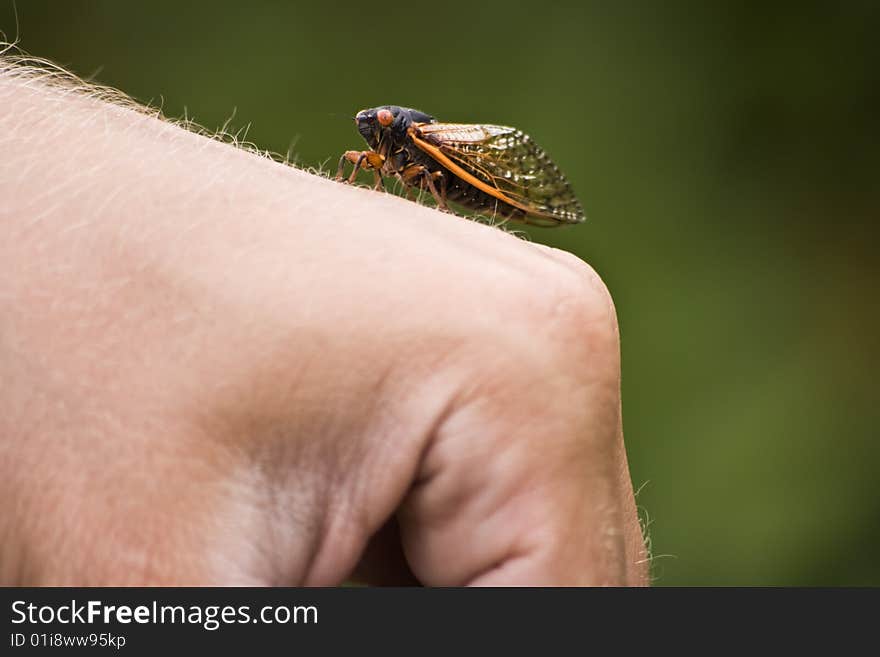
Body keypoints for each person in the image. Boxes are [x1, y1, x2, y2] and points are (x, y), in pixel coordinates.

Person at [0, 57, 648, 586]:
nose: (370, 134)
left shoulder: (418, 143)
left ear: (397, 131)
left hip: (459, 164)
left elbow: (429, 173)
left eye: (378, 127)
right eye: (372, 129)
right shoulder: (373, 156)